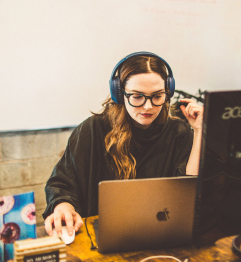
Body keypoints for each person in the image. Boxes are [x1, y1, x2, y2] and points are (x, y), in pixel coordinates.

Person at [43, 52, 203, 237]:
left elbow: (188, 190)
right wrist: (63, 205)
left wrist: (199, 131)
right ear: (119, 94)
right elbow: (62, 182)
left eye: (157, 96)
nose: (148, 106)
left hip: (162, 235)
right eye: (137, 96)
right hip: (101, 238)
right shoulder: (93, 130)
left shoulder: (178, 131)